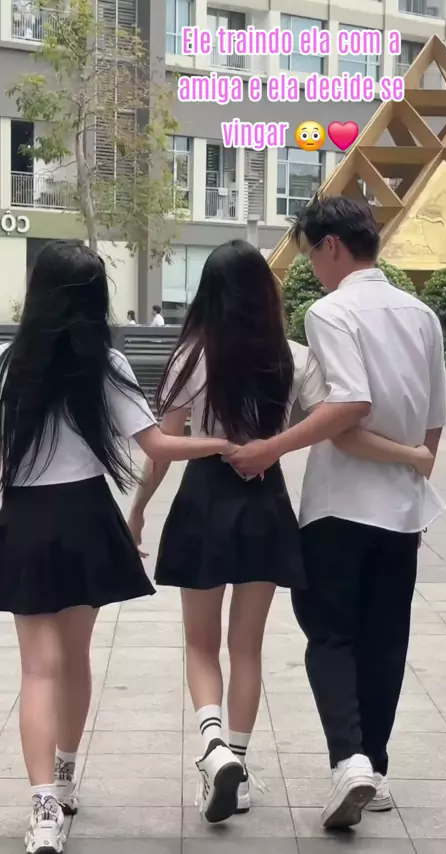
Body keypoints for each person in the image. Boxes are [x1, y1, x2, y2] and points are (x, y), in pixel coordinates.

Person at [128, 238, 434, 826]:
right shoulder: (292, 357)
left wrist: (140, 507)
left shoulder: (191, 354)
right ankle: (238, 765)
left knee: (200, 644)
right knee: (247, 647)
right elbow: (337, 418)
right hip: (266, 505)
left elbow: (161, 447)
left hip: (203, 500)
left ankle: (213, 745)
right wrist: (275, 445)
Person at [0, 240, 239, 854]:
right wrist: (220, 443)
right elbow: (157, 446)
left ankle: (43, 812)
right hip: (85, 518)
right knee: (75, 657)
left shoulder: (9, 364)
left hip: (25, 518)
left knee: (37, 667)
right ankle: (65, 776)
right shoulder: (106, 364)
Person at [226, 198, 446, 830]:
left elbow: (348, 408)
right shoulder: (422, 314)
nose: (312, 269)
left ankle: (349, 760)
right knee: (385, 640)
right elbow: (436, 414)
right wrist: (416, 465)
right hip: (401, 514)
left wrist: (273, 446)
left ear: (331, 245)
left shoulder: (330, 312)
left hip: (340, 507)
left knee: (330, 635)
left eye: (310, 254)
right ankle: (373, 770)